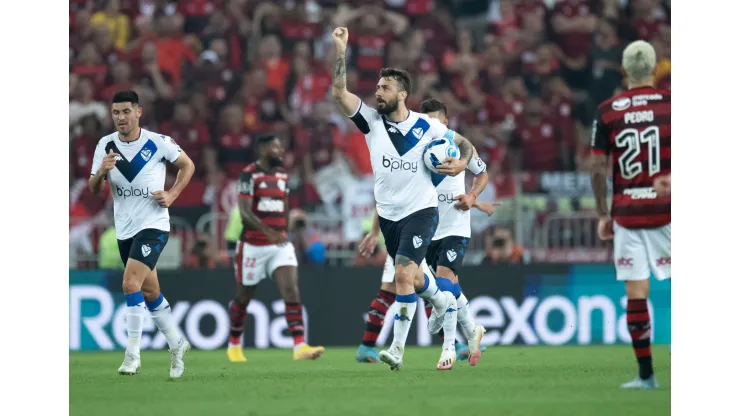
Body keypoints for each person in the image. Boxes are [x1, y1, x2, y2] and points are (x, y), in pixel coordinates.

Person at [331, 26, 477, 371]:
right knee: (415, 280)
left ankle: (396, 350)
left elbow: (467, 145)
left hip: (422, 213)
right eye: (378, 86)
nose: (377, 92)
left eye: (385, 88)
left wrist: (460, 163)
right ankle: (443, 302)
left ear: (402, 94)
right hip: (390, 218)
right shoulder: (370, 122)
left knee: (401, 275)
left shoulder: (429, 126)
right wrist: (341, 51)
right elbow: (339, 92)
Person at [355, 99, 500, 367]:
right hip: (422, 229)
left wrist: (473, 196)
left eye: (436, 120)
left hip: (454, 227)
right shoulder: (419, 151)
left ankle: (448, 349)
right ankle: (472, 331)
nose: (431, 124)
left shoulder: (459, 151)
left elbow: (482, 175)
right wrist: (376, 230)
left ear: (445, 123)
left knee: (442, 284)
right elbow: (393, 196)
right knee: (447, 291)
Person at [88, 90, 196, 377]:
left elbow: (188, 165)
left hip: (154, 225)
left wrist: (172, 195)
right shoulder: (106, 145)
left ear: (138, 112)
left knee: (130, 283)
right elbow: (93, 189)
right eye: (115, 113)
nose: (121, 117)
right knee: (150, 291)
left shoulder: (157, 142)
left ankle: (132, 354)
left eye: (126, 111)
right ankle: (177, 344)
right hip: (124, 228)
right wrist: (101, 171)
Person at [590, 40, 671, 390]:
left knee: (637, 294)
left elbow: (596, 167)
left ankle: (646, 376)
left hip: (626, 213)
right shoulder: (673, 106)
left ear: (623, 71)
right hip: (669, 209)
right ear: (655, 69)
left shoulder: (608, 110)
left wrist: (601, 212)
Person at [227, 134, 325, 362]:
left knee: (291, 290)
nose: (281, 151)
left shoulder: (282, 175)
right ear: (262, 150)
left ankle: (300, 347)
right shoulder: (249, 174)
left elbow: (284, 207)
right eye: (275, 148)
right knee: (243, 298)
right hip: (252, 245)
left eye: (281, 147)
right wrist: (268, 231)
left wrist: (286, 228)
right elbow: (244, 212)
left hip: (279, 245)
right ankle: (234, 344)